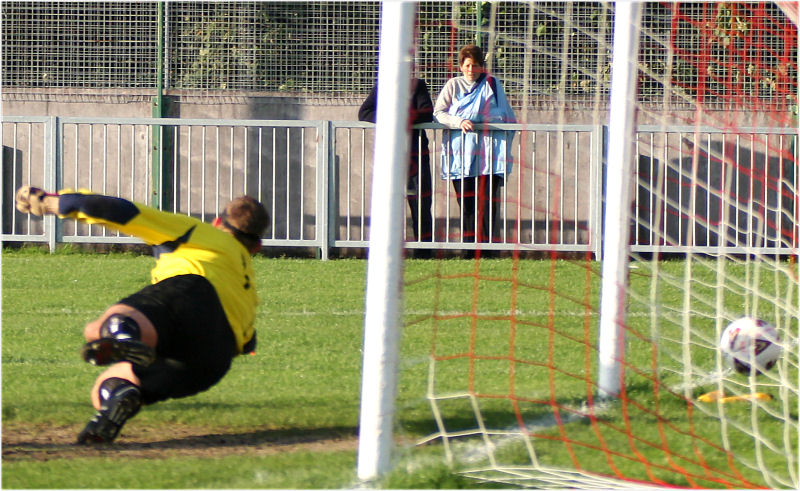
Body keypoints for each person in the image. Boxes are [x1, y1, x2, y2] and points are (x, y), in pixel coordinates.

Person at [15, 185, 269, 444]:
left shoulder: (200, 233)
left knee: (108, 325)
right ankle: (119, 395)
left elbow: (124, 212)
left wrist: (54, 203)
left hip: (195, 295)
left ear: (217, 222)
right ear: (256, 247)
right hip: (212, 362)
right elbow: (248, 341)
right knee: (110, 376)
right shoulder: (247, 283)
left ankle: (124, 338)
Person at [433, 44, 516, 243]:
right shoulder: (453, 85)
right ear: (461, 66)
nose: (471, 70)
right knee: (467, 203)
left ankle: (488, 248)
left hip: (490, 155)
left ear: (482, 67)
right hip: (461, 154)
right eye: (468, 65)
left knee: (487, 203)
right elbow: (438, 113)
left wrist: (486, 122)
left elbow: (506, 117)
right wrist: (459, 121)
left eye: (476, 65)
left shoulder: (492, 85)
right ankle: (470, 248)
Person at [359, 78, 434, 255]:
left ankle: (424, 251)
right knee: (387, 203)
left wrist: (403, 118)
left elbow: (427, 112)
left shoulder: (418, 85)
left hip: (415, 153)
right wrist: (390, 119)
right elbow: (365, 112)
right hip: (389, 154)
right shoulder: (383, 84)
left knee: (421, 203)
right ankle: (386, 251)